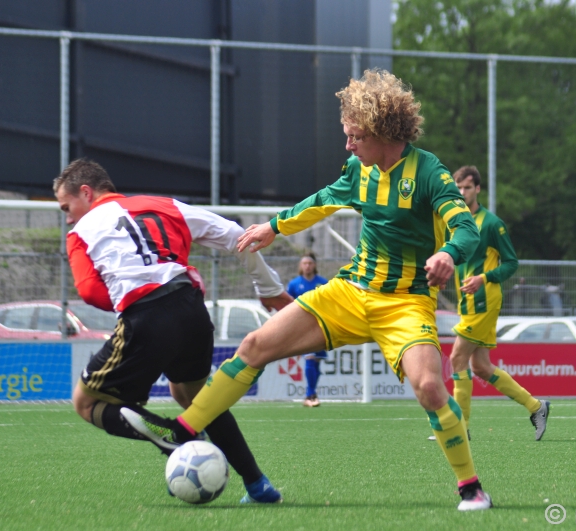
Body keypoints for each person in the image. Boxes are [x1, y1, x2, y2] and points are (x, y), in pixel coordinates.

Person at [123, 69, 493, 511]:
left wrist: (449, 254)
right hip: (349, 293)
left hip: (406, 305)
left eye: (355, 136)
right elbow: (322, 200)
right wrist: (272, 227)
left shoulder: (429, 172)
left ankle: (471, 488)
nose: (348, 145)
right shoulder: (360, 169)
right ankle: (181, 432)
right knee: (255, 344)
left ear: (380, 131)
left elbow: (465, 227)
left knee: (431, 388)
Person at [54, 158, 292, 504]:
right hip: (191, 307)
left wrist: (128, 299)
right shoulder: (164, 205)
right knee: (196, 398)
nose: (68, 217)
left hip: (147, 316)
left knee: (87, 401)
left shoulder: (80, 233)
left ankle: (174, 437)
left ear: (86, 193)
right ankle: (258, 485)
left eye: (67, 207)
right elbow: (240, 238)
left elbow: (89, 292)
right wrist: (267, 288)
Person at [438, 166, 550, 441]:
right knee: (481, 367)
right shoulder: (454, 222)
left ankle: (460, 428)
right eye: (458, 188)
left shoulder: (490, 223)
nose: (462, 192)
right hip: (467, 301)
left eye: (467, 187)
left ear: (477, 189)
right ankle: (536, 407)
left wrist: (484, 277)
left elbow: (511, 263)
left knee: (457, 358)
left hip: (484, 300)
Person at [286, 252, 328, 407]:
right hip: (302, 327)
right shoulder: (294, 284)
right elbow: (286, 305)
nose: (307, 266)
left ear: (314, 265)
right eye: (304, 263)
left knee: (316, 362)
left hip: (320, 326)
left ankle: (311, 394)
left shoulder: (323, 283)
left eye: (310, 263)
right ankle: (310, 395)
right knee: (310, 357)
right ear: (300, 266)